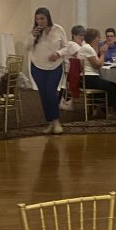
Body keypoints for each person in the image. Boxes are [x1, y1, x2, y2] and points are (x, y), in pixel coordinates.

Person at [24, 7, 69, 135]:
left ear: (48, 18)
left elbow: (66, 47)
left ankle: (56, 121)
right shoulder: (33, 31)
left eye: (42, 18)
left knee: (51, 93)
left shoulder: (58, 30)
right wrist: (33, 36)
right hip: (37, 67)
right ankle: (50, 122)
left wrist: (58, 53)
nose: (40, 21)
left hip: (54, 67)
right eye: (37, 19)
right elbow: (26, 47)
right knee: (43, 95)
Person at [64, 27, 116, 114]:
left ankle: (105, 107)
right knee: (112, 86)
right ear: (94, 38)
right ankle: (113, 108)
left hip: (88, 77)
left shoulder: (89, 48)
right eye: (98, 37)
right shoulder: (88, 48)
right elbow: (97, 65)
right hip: (88, 78)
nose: (100, 39)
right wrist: (103, 54)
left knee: (110, 84)